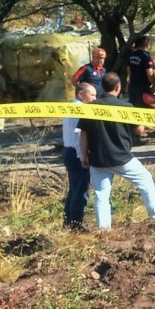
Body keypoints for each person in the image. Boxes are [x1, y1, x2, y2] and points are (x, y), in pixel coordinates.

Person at [78, 73, 155, 229]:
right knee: (146, 181)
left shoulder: (89, 108)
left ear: (102, 87)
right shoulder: (126, 107)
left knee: (101, 194)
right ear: (118, 88)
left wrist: (84, 155)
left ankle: (104, 229)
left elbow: (84, 134)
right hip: (122, 158)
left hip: (98, 159)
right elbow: (140, 130)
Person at [62, 84, 91, 230]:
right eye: (92, 95)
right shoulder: (80, 110)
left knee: (73, 188)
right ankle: (75, 223)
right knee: (81, 190)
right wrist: (83, 156)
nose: (94, 98)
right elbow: (78, 135)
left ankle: (68, 221)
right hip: (76, 152)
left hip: (68, 151)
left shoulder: (69, 107)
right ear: (81, 94)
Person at [126, 35, 155, 109]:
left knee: (134, 108)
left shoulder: (131, 55)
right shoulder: (146, 57)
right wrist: (154, 84)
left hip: (132, 86)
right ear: (147, 45)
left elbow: (129, 72)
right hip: (143, 88)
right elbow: (150, 73)